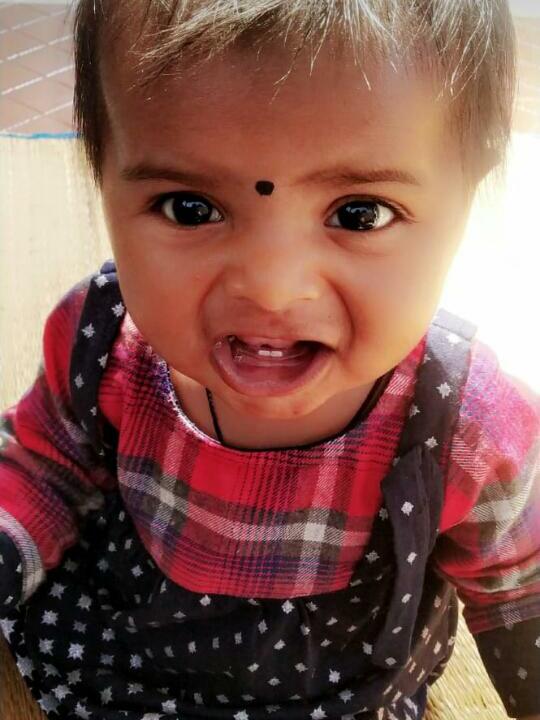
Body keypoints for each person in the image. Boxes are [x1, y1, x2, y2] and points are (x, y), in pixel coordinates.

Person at [0, 1, 538, 718]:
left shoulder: (467, 425)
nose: (272, 288)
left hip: (339, 695)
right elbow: (45, 462)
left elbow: (521, 590)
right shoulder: (102, 342)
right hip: (121, 650)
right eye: (190, 208)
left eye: (360, 213)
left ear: (469, 194)